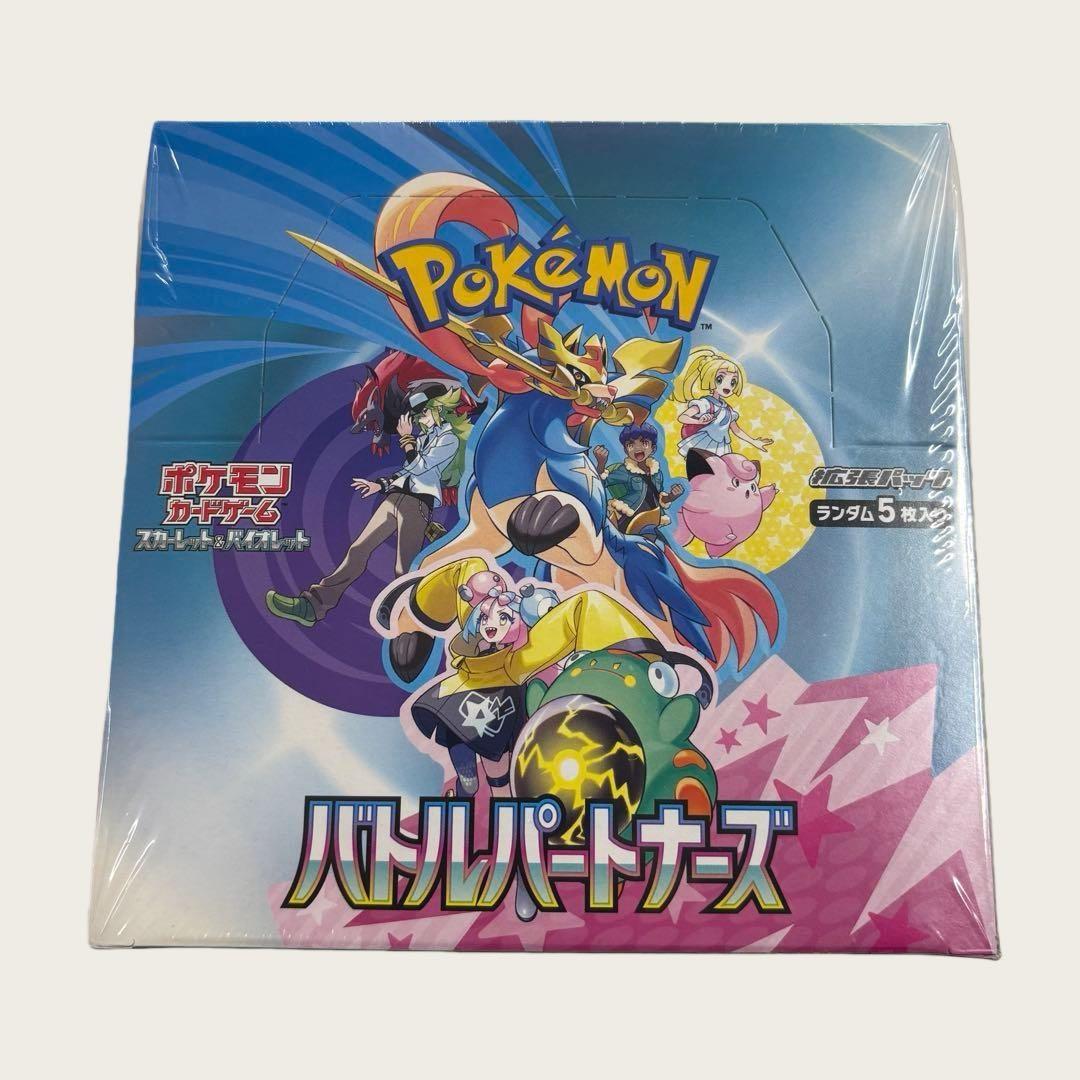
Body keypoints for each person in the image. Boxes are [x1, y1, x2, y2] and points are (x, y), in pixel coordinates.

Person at [265, 381, 468, 627]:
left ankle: (413, 622)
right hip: (395, 498)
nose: (419, 420)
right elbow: (407, 473)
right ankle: (313, 605)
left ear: (439, 408)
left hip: (417, 505)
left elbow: (420, 466)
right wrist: (379, 485)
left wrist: (406, 439)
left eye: (423, 413)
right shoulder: (425, 438)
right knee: (358, 550)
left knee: (404, 568)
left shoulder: (449, 440)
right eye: (417, 415)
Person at [674, 346, 774, 458]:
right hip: (702, 443)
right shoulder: (705, 403)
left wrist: (754, 442)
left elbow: (737, 430)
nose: (728, 386)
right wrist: (699, 421)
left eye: (733, 382)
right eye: (720, 379)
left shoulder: (728, 410)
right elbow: (682, 417)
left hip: (721, 446)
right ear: (710, 379)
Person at [594, 423, 684, 534]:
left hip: (650, 518)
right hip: (630, 517)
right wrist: (601, 463)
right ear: (626, 451)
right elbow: (601, 482)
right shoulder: (626, 470)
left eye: (644, 443)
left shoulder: (657, 473)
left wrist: (671, 496)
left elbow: (658, 498)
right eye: (630, 444)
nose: (637, 447)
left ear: (653, 448)